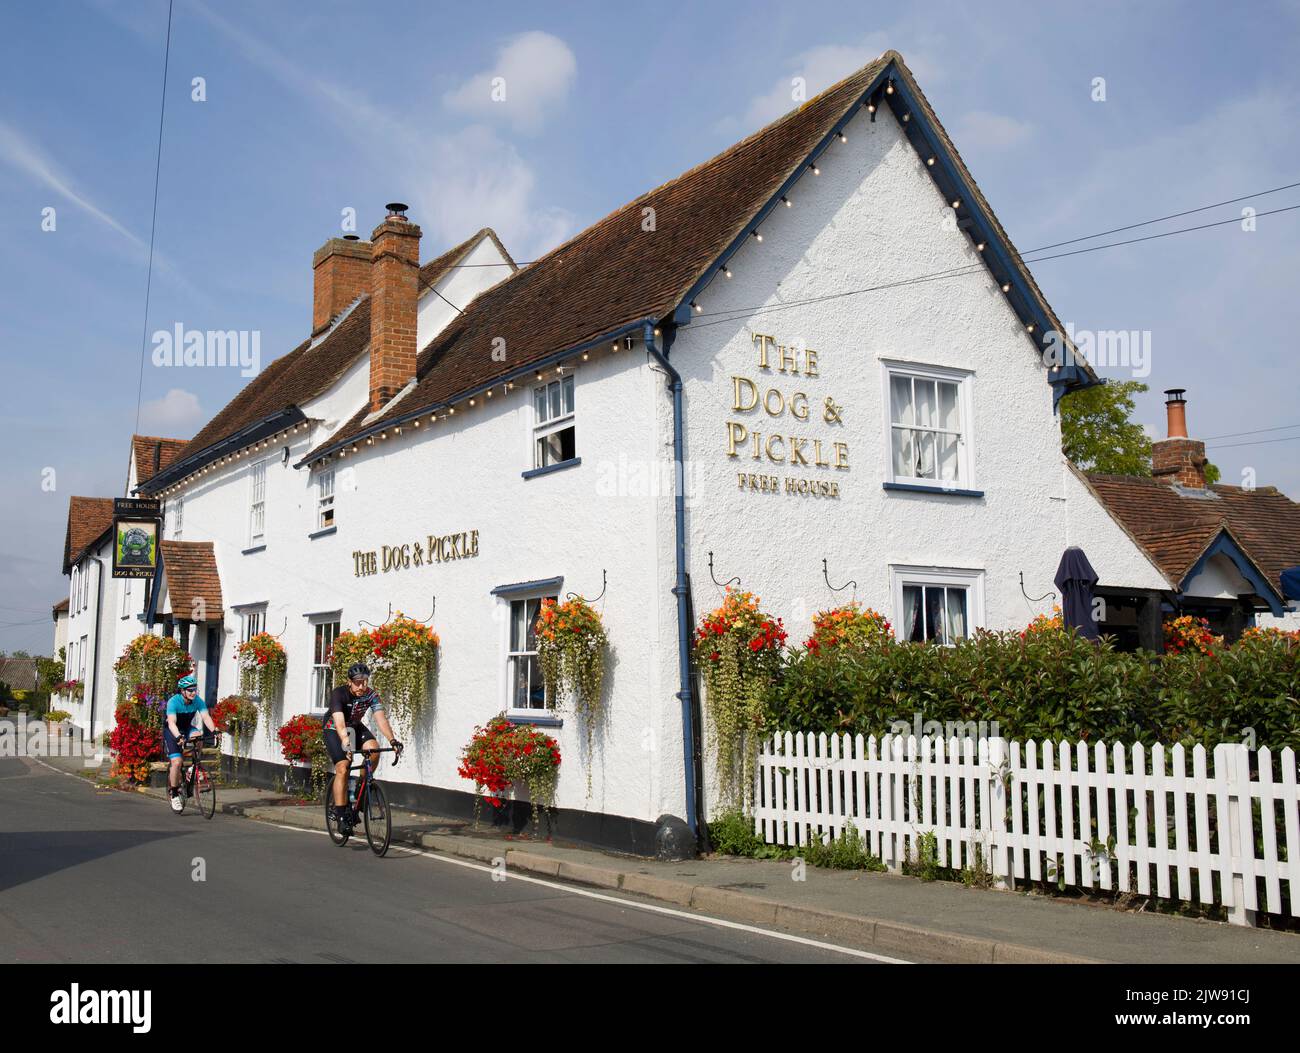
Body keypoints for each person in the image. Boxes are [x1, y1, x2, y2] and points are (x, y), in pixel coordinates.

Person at [324, 663, 403, 832]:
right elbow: (339, 722)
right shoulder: (339, 694)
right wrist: (345, 740)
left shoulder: (371, 695)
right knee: (343, 768)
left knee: (374, 750)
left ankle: (361, 789)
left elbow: (381, 720)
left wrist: (393, 741)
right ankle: (341, 815)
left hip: (355, 726)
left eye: (365, 682)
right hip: (334, 729)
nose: (362, 686)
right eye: (358, 682)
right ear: (349, 682)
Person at [164, 673, 218, 813]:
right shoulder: (173, 702)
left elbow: (205, 717)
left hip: (187, 727)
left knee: (198, 736)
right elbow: (171, 723)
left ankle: (194, 766)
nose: (193, 692)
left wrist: (214, 731)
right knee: (176, 762)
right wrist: (178, 737)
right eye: (190, 690)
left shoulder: (197, 701)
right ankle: (175, 793)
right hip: (173, 730)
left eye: (195, 689)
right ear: (182, 691)